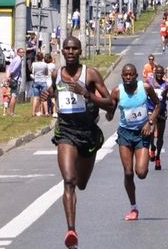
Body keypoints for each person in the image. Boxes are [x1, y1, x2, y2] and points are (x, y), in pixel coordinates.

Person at [40, 36, 112, 249]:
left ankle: (72, 226)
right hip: (66, 132)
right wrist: (48, 93)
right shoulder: (57, 74)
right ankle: (71, 231)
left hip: (88, 134)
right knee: (69, 180)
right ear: (62, 52)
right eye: (67, 49)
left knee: (81, 183)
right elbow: (57, 91)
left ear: (80, 51)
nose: (70, 52)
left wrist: (87, 94)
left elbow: (109, 103)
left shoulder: (91, 74)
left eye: (74, 49)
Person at [106, 64, 160, 220]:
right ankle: (133, 207)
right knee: (128, 173)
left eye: (131, 74)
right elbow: (110, 112)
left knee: (141, 173)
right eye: (125, 75)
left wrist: (150, 121)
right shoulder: (117, 91)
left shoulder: (146, 88)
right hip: (125, 134)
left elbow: (158, 105)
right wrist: (108, 113)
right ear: (122, 77)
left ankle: (147, 155)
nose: (128, 77)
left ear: (136, 76)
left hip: (142, 133)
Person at [146, 65, 168, 170]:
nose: (158, 75)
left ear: (163, 74)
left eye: (160, 73)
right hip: (151, 110)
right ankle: (152, 147)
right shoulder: (149, 83)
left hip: (162, 111)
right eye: (157, 73)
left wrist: (164, 97)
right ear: (154, 73)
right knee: (151, 131)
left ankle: (158, 157)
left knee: (160, 136)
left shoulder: (167, 85)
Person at [6, 48, 25, 116]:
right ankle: (12, 112)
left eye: (23, 52)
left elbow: (9, 68)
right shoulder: (19, 60)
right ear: (18, 53)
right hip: (15, 80)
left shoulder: (15, 59)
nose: (23, 53)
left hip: (12, 79)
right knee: (14, 96)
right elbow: (14, 70)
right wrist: (9, 76)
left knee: (12, 95)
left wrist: (8, 76)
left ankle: (10, 111)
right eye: (21, 52)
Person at [31, 52, 49, 116]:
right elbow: (46, 73)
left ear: (36, 57)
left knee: (36, 97)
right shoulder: (45, 64)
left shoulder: (34, 64)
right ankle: (46, 112)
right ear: (42, 57)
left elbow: (32, 72)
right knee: (44, 98)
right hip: (43, 81)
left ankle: (33, 112)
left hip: (36, 81)